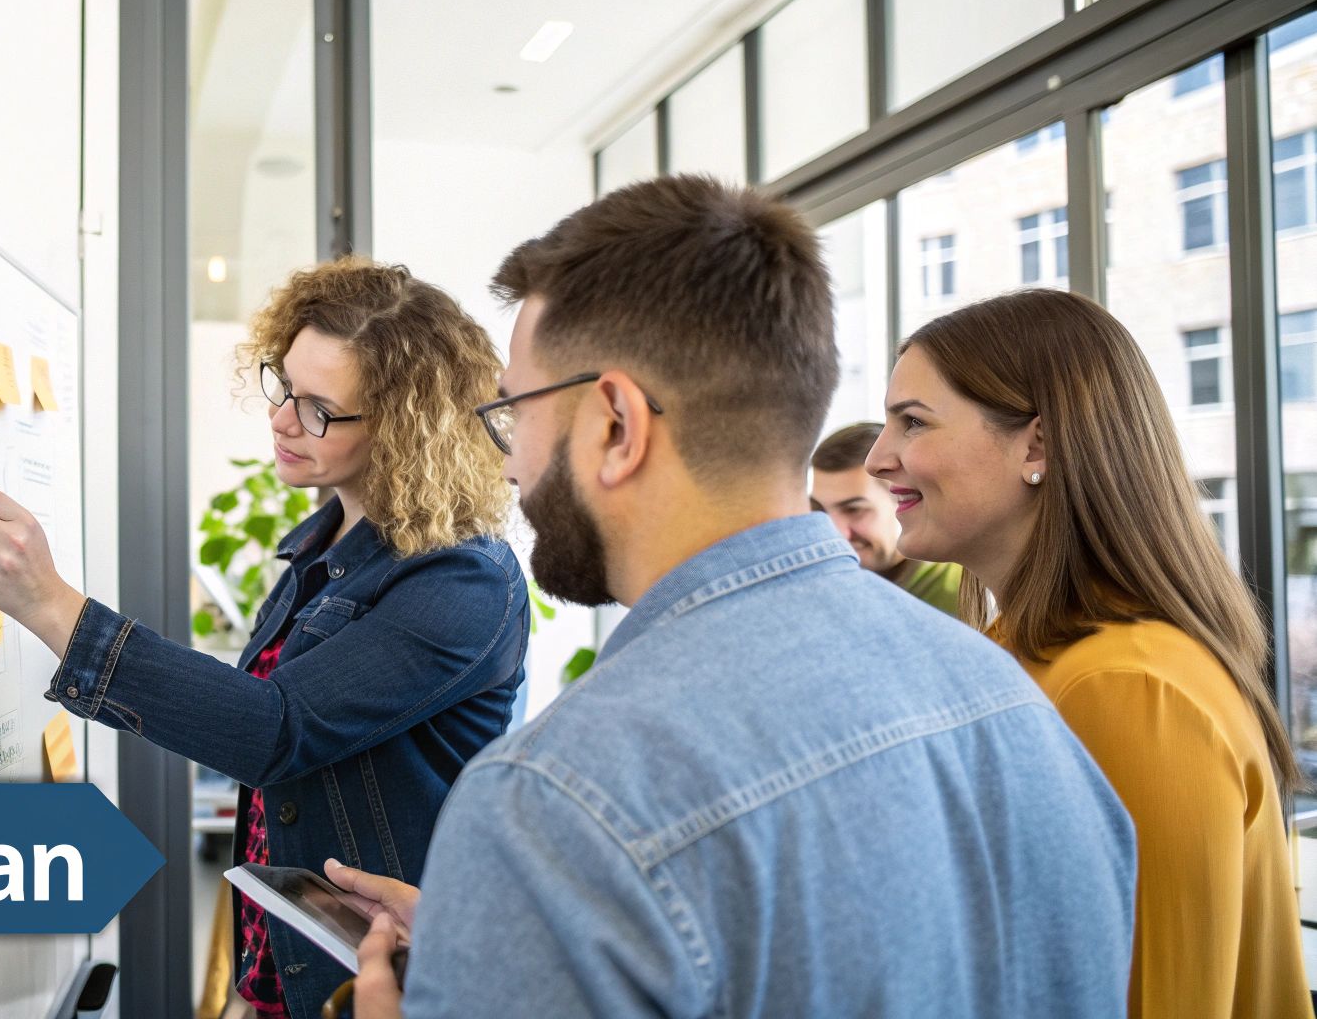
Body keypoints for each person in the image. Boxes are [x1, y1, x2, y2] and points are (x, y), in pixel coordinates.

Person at [328, 176, 1136, 1018]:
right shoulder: (1017, 704)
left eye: (514, 410)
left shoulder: (557, 798)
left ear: (616, 424)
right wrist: (515, 935)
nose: (507, 461)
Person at [0, 257, 530, 1019]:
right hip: (288, 973)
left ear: (404, 431)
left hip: (381, 988)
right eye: (283, 385)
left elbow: (276, 729)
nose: (282, 419)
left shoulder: (464, 581)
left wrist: (55, 606)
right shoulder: (323, 549)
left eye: (320, 408)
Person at [865, 287, 1312, 1019]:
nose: (881, 458)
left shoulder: (1128, 687)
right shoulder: (1029, 653)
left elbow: (1150, 998)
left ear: (1037, 446)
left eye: (912, 422)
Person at [809, 421, 962, 615]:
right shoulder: (830, 589)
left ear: (904, 499)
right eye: (820, 510)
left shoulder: (961, 597)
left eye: (854, 509)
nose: (835, 532)